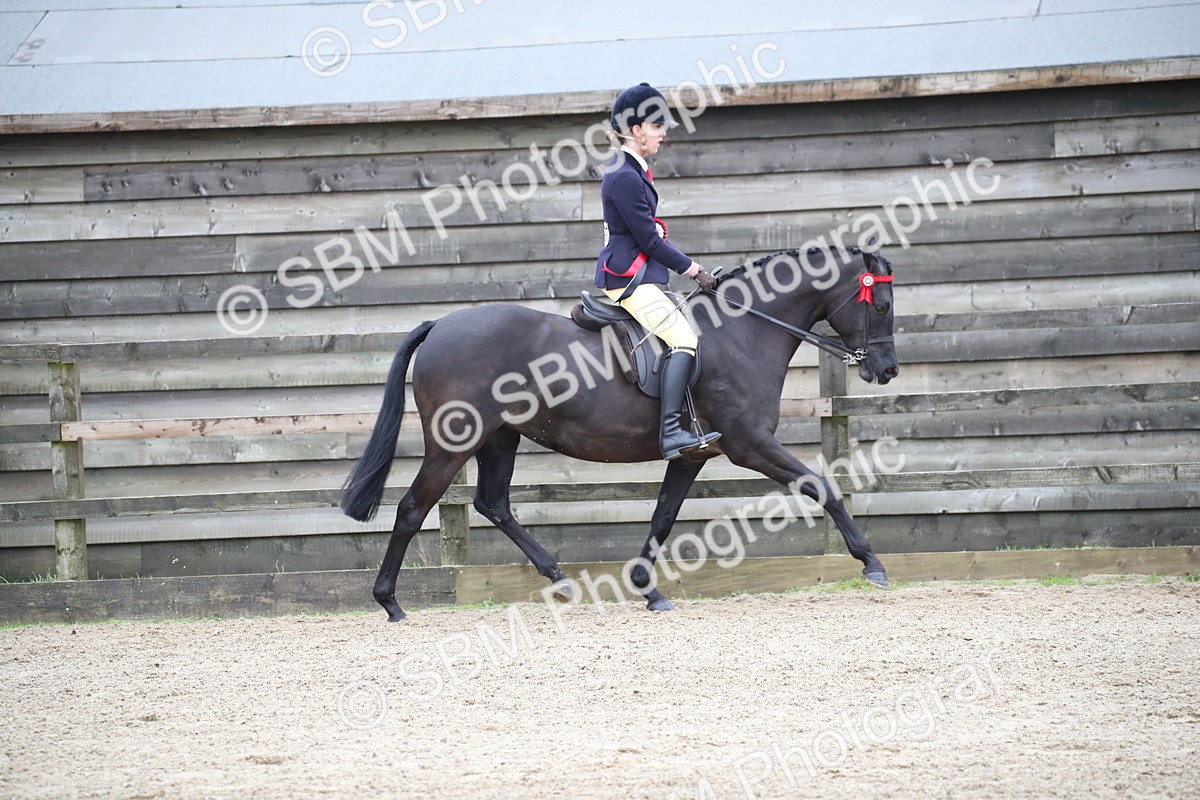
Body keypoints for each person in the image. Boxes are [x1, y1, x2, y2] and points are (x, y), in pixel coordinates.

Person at [595, 82, 721, 460]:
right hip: (629, 280)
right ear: (636, 130)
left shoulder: (631, 169)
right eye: (656, 126)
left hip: (641, 275)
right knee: (685, 339)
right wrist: (694, 269)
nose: (663, 133)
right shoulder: (624, 175)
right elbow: (649, 242)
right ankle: (670, 434)